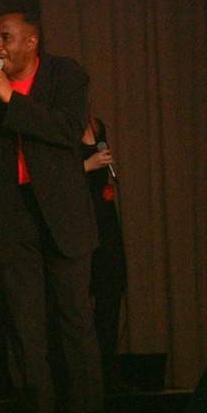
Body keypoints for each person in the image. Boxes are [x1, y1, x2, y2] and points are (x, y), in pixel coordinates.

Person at [0, 12, 111, 413]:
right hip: (12, 217)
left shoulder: (64, 75)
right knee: (24, 328)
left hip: (62, 215)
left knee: (74, 321)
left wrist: (11, 98)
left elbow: (67, 131)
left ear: (31, 42)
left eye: (6, 38)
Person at [82, 117, 128, 392]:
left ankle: (107, 372)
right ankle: (84, 377)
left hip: (104, 219)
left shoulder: (97, 127)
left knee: (110, 292)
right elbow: (52, 178)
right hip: (78, 218)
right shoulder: (61, 127)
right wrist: (88, 165)